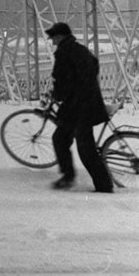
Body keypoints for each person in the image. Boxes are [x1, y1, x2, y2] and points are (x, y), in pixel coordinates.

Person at [45, 22, 114, 193]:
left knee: (85, 148)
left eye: (53, 37)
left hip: (80, 107)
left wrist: (58, 95)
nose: (52, 41)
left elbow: (62, 79)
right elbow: (94, 64)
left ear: (60, 36)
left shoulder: (64, 53)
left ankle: (103, 186)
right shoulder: (80, 49)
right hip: (84, 103)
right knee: (61, 138)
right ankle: (68, 177)